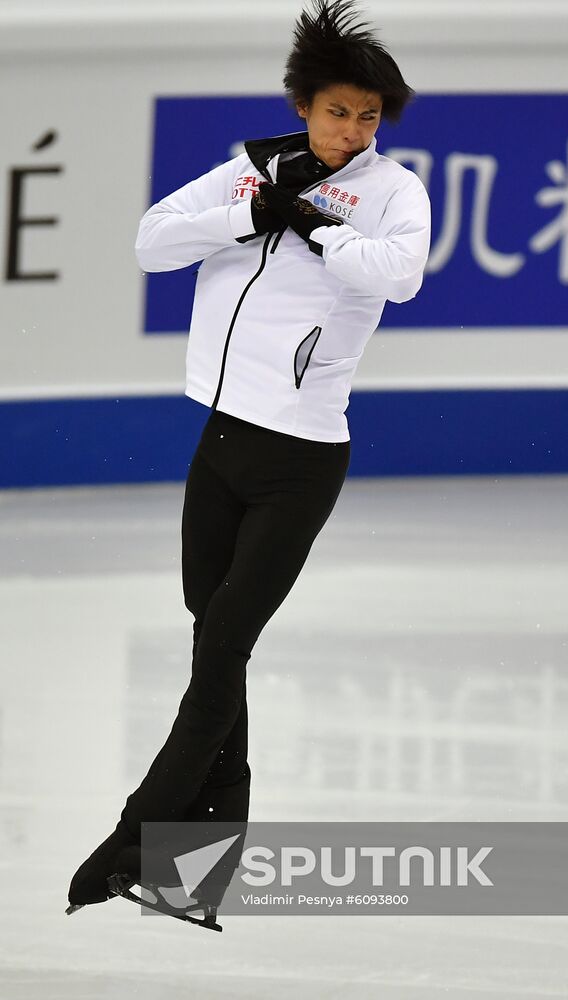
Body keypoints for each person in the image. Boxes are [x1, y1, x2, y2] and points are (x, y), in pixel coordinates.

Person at [66, 0, 431, 923]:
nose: (353, 131)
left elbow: (398, 274)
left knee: (224, 642)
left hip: (301, 458)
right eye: (338, 111)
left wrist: (313, 226)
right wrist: (250, 213)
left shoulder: (393, 191)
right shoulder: (246, 173)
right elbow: (152, 244)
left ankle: (136, 837)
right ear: (305, 104)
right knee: (210, 646)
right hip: (219, 442)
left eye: (369, 115)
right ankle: (188, 874)